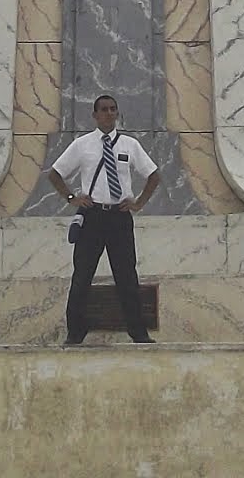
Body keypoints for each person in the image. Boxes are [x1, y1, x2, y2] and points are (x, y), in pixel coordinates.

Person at [48, 93, 160, 345]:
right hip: (93, 216)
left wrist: (139, 203)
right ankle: (75, 333)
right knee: (82, 275)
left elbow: (153, 175)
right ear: (95, 115)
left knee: (127, 277)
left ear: (117, 114)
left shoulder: (129, 145)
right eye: (104, 110)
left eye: (113, 109)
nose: (109, 113)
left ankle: (139, 334)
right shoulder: (83, 144)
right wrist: (70, 197)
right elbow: (55, 173)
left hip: (119, 217)